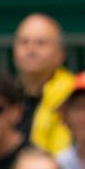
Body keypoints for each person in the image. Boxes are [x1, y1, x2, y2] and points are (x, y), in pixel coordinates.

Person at [9, 13, 75, 151]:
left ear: (61, 54)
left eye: (40, 43)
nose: (30, 50)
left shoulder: (73, 93)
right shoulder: (4, 96)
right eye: (24, 42)